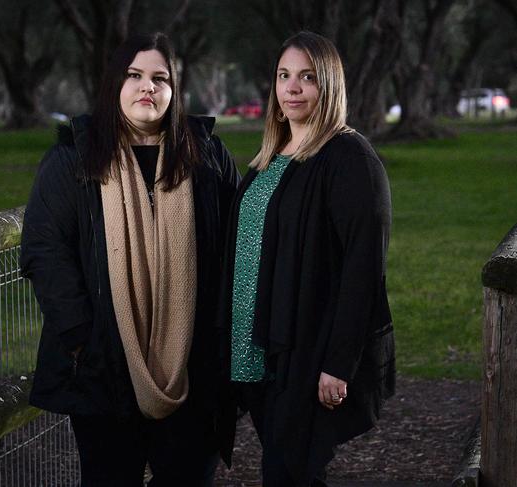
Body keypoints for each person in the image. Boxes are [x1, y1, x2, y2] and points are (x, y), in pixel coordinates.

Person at [20, 32, 239, 486]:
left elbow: (234, 249)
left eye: (160, 78)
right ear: (114, 84)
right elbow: (45, 249)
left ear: (174, 90)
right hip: (103, 366)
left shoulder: (208, 156)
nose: (148, 87)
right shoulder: (73, 158)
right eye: (135, 75)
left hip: (192, 367)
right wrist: (82, 334)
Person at [217, 31, 395, 486]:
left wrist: (339, 363)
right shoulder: (268, 159)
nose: (292, 88)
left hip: (304, 346)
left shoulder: (349, 157)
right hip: (252, 347)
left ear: (329, 86)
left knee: (287, 469)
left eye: (307, 77)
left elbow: (363, 267)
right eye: (284, 76)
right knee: (290, 467)